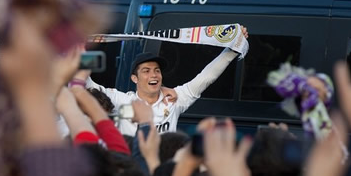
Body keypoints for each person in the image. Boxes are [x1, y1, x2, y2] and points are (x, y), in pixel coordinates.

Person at [80, 26, 249, 135]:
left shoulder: (174, 99)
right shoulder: (122, 101)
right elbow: (86, 84)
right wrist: (80, 52)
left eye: (157, 71)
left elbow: (207, 77)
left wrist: (232, 49)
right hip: (133, 175)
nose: (153, 75)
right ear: (134, 78)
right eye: (146, 71)